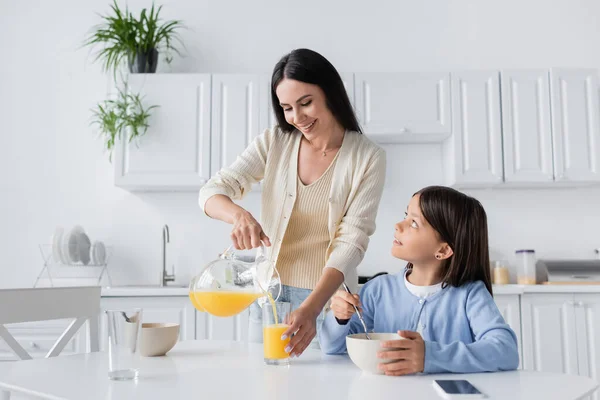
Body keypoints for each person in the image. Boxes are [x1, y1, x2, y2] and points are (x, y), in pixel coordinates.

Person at [198, 48, 386, 357]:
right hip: (268, 296)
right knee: (266, 384)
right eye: (286, 108)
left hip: (327, 305)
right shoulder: (275, 141)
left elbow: (352, 240)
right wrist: (238, 215)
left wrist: (312, 309)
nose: (297, 118)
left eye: (306, 103)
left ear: (330, 93)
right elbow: (212, 190)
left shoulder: (367, 157)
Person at [320, 186, 519, 375]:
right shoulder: (379, 289)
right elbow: (331, 347)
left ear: (443, 250)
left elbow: (505, 351)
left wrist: (430, 356)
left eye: (414, 223)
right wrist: (339, 318)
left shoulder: (470, 295)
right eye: (406, 216)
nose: (398, 225)